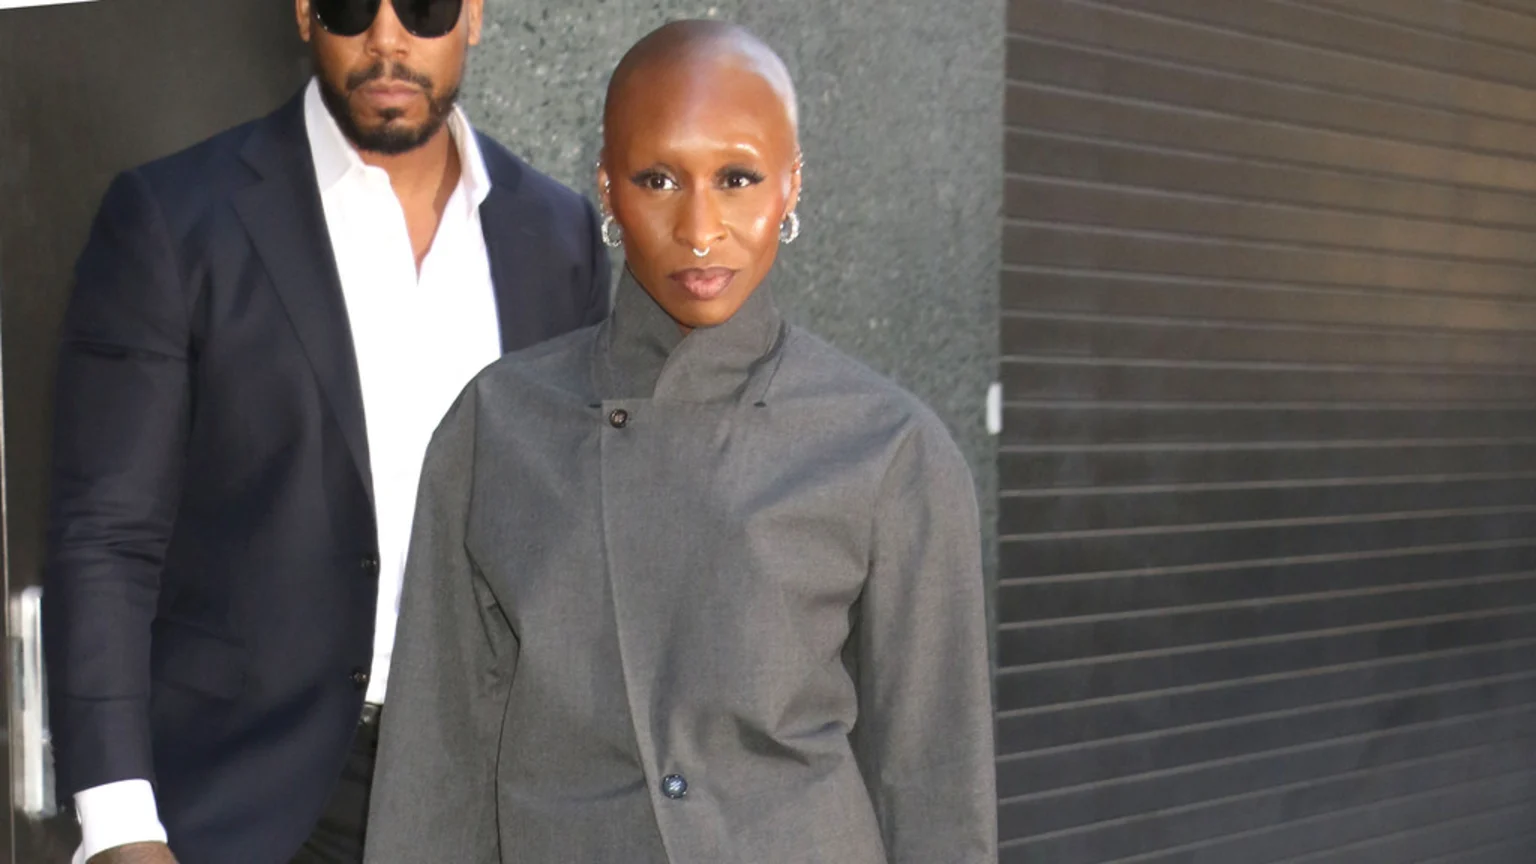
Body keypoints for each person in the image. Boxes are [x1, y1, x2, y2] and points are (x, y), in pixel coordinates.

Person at [363, 19, 996, 864]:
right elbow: (437, 762)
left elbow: (932, 788)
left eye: (738, 178)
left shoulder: (889, 449)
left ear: (792, 186)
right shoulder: (496, 426)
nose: (701, 228)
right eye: (657, 179)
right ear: (607, 188)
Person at [41, 0, 610, 861]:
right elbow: (105, 538)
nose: (386, 38)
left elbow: (580, 536)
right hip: (249, 802)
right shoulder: (175, 218)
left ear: (474, 14)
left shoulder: (556, 237)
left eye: (423, 7)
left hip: (487, 796)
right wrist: (121, 826)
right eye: (350, 5)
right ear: (306, 13)